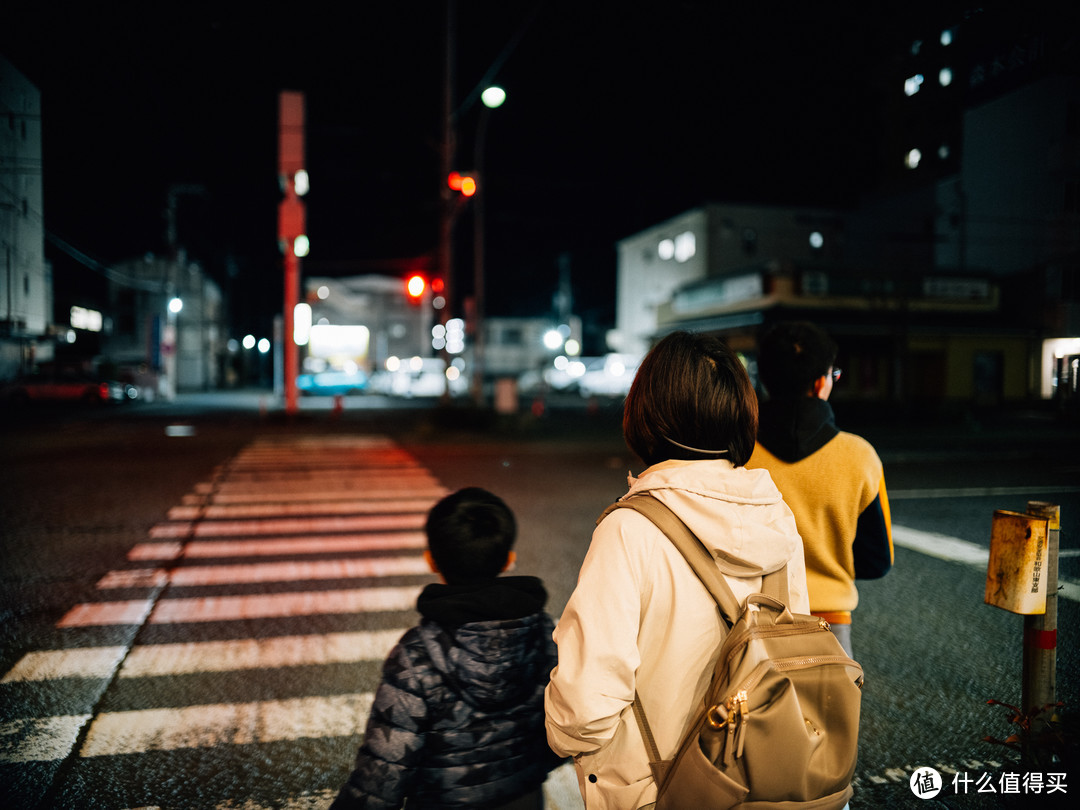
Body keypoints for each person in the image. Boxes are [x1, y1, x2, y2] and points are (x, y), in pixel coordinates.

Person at [544, 331, 809, 810]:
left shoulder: (630, 529)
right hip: (759, 779)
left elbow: (584, 707)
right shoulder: (777, 517)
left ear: (646, 414)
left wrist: (565, 738)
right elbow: (792, 654)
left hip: (657, 789)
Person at [331, 487, 560, 810]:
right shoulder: (543, 630)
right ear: (509, 559)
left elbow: (383, 772)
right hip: (523, 798)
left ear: (431, 559)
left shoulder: (417, 653)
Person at [746, 321, 893, 658]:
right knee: (831, 711)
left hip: (751, 622)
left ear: (766, 379)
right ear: (820, 383)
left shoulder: (739, 453)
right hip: (830, 629)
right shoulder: (860, 456)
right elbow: (877, 561)